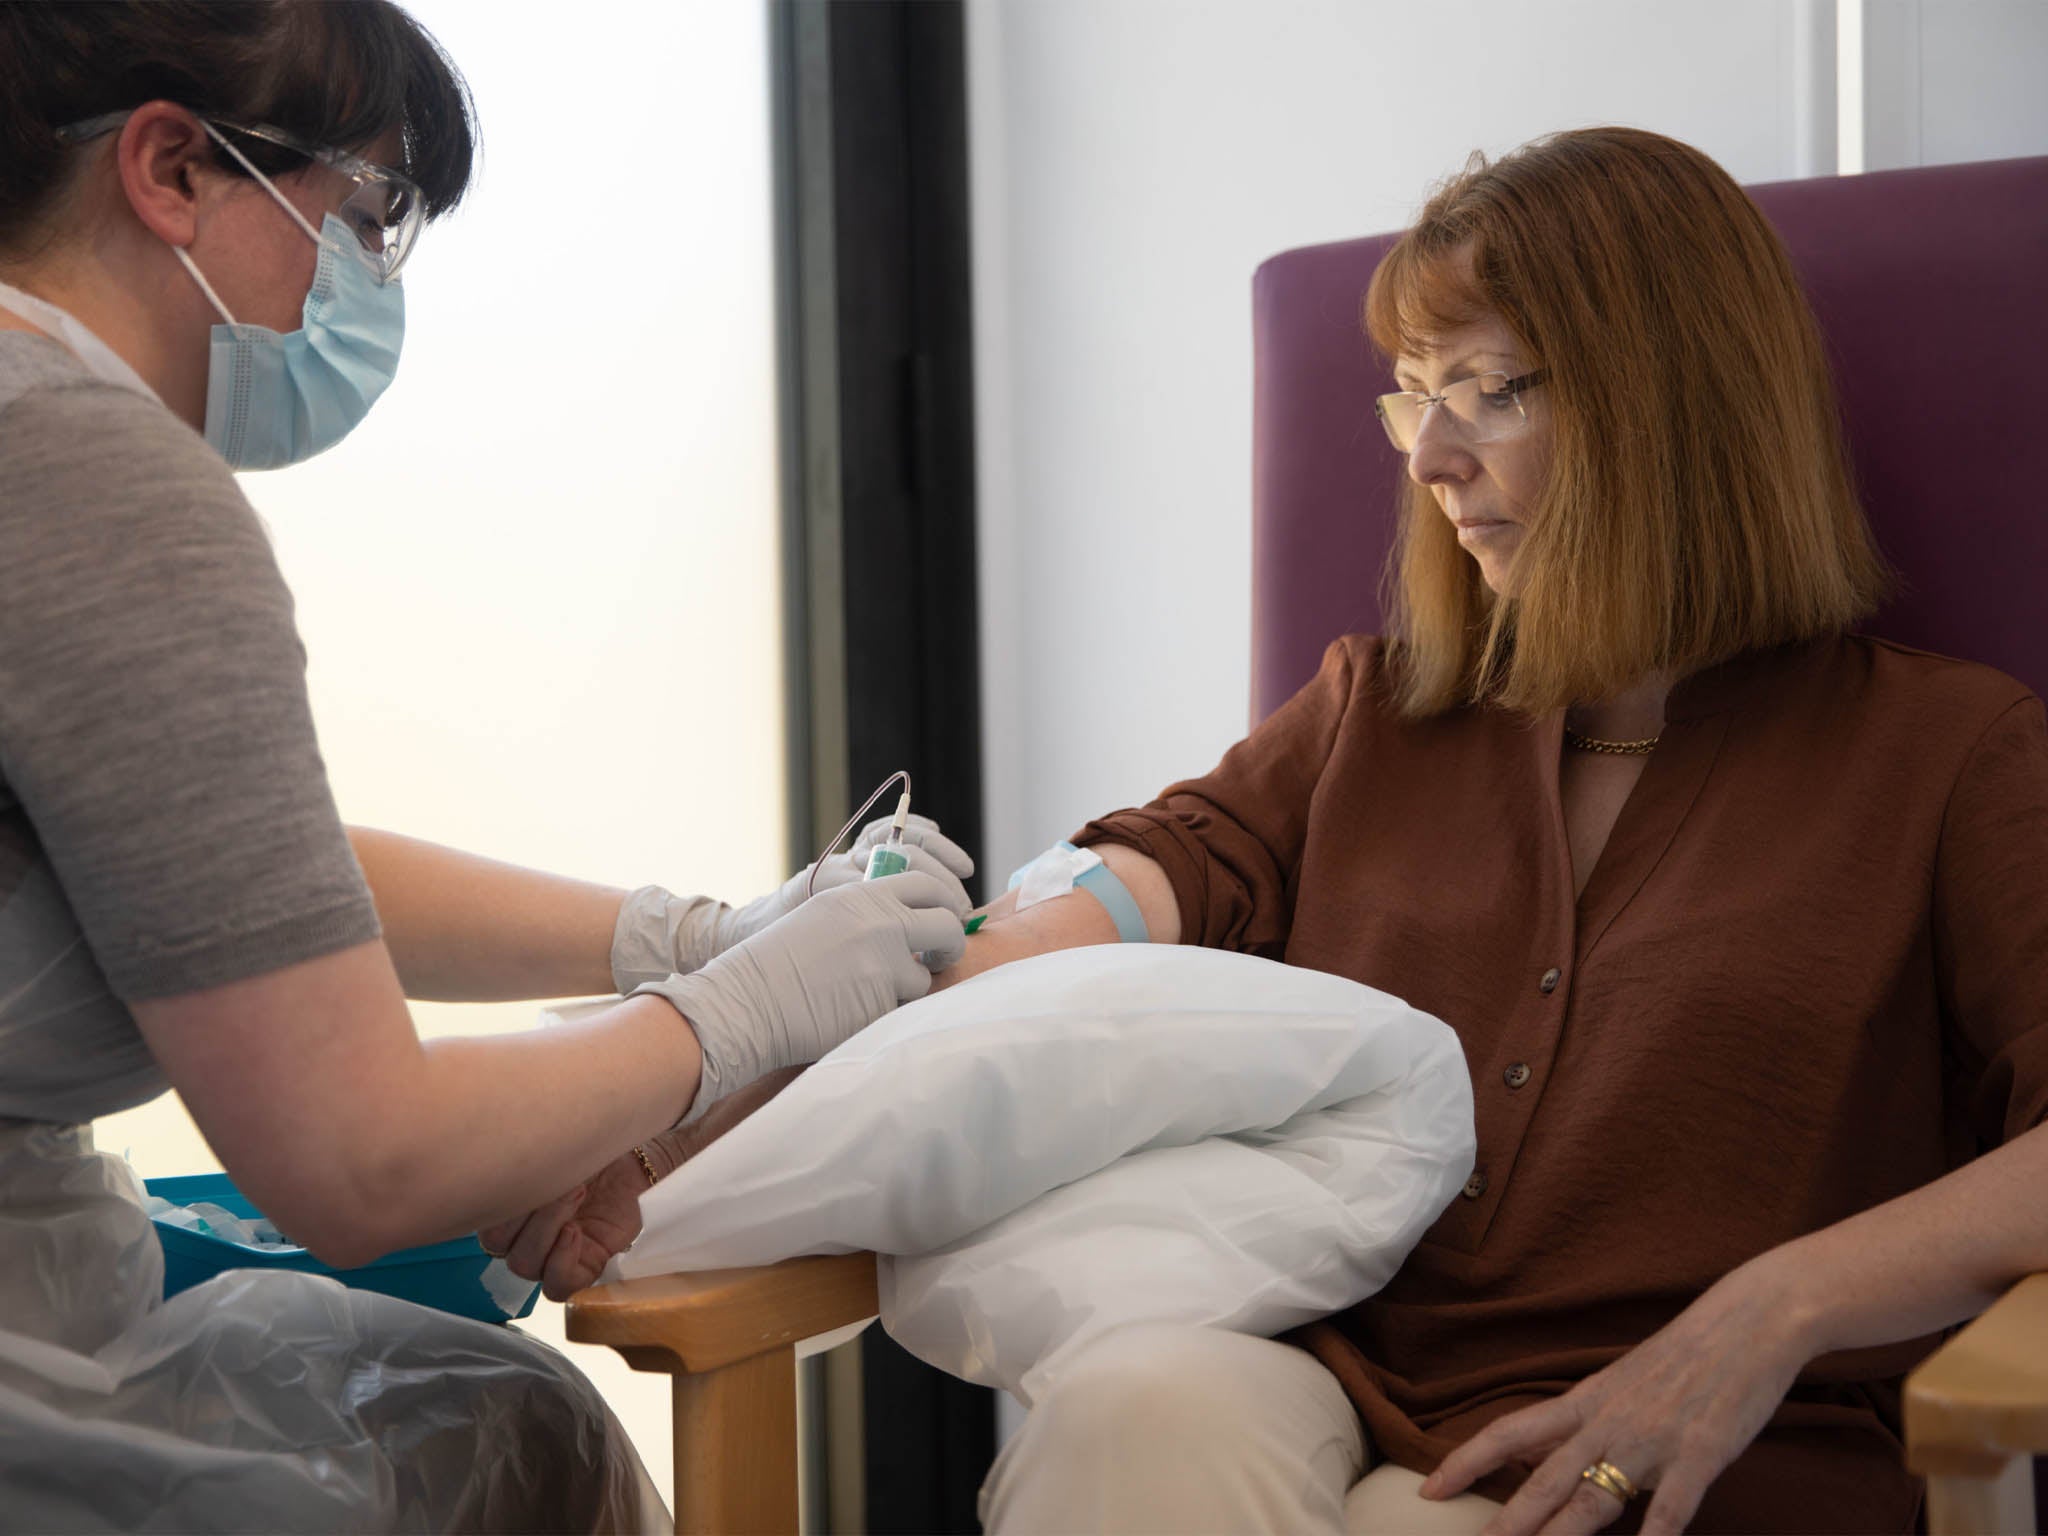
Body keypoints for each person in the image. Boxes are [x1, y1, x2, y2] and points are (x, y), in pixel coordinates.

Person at [931, 127, 2048, 1534]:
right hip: (1336, 1368)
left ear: (1678, 404)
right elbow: (1164, 872)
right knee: (1128, 1413)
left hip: (1718, 1438)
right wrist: (851, 983)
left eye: (1491, 390)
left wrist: (1778, 1305)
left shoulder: (1949, 758)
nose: (1434, 460)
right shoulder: (1373, 717)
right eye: (1413, 400)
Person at [0, 2, 969, 1529]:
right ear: (171, 166)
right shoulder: (98, 479)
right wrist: (735, 1015)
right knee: (517, 1436)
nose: (370, 283)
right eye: (365, 215)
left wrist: (682, 936)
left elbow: (215, 870)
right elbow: (361, 1160)